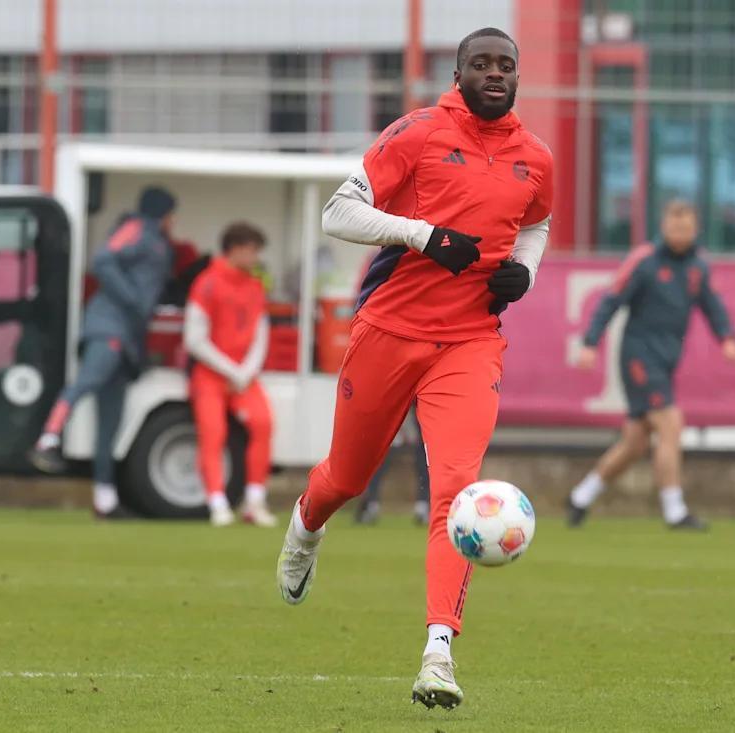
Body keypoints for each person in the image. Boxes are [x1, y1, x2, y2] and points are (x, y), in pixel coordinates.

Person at [274, 27, 553, 709]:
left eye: (506, 65)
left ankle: (438, 653)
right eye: (481, 64)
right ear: (458, 75)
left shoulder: (536, 157)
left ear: (518, 77)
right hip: (388, 334)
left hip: (470, 343)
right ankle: (306, 527)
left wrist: (525, 272)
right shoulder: (419, 132)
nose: (495, 73)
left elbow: (536, 224)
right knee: (346, 477)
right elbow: (339, 212)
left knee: (456, 493)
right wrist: (422, 234)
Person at [567, 200, 735, 530]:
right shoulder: (645, 261)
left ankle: (580, 497)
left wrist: (727, 337)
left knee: (635, 443)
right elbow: (611, 300)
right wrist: (590, 342)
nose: (680, 234)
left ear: (695, 230)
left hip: (667, 360)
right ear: (664, 227)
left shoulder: (698, 266)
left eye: (686, 228)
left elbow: (712, 305)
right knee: (671, 424)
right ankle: (675, 511)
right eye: (675, 227)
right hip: (639, 357)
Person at [28, 186, 177, 519]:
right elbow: (104, 259)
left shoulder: (158, 242)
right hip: (108, 328)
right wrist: (132, 299)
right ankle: (48, 438)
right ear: (163, 212)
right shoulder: (135, 227)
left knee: (110, 424)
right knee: (88, 381)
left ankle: (105, 499)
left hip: (129, 342)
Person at [183, 223, 276, 528]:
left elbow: (261, 332)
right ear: (234, 249)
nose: (255, 258)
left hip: (243, 376)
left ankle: (254, 501)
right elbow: (194, 339)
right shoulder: (207, 283)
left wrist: (246, 371)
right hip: (210, 375)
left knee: (263, 423)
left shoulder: (255, 286)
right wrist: (232, 370)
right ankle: (217, 503)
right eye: (252, 250)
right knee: (213, 433)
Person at [353, 408, 430, 525]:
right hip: (391, 412)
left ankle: (423, 506)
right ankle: (370, 505)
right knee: (378, 458)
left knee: (423, 457)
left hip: (419, 415)